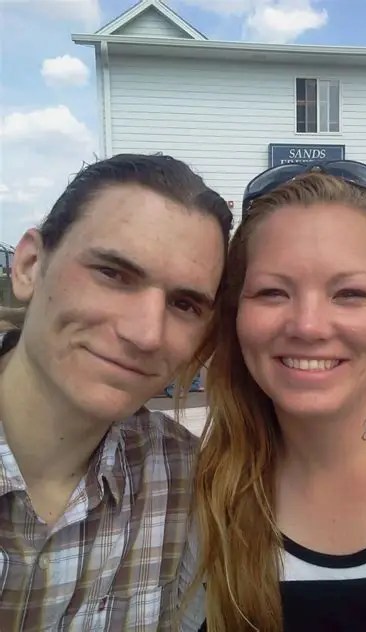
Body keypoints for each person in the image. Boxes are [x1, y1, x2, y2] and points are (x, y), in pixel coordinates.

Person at [184, 160, 366, 631]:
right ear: (236, 311)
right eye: (273, 292)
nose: (309, 326)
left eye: (349, 293)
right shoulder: (200, 497)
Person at [0, 153, 233, 630]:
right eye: (113, 274)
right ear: (29, 265)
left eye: (184, 304)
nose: (146, 334)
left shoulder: (186, 483)